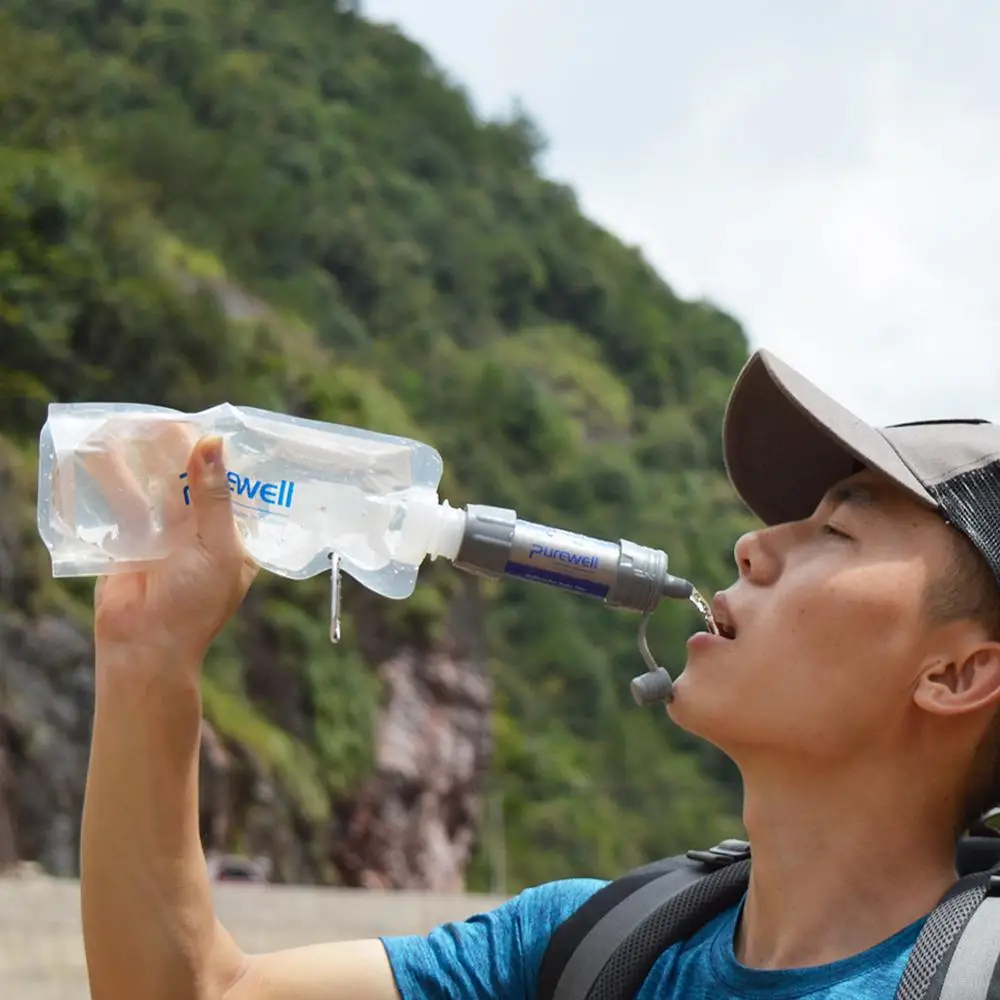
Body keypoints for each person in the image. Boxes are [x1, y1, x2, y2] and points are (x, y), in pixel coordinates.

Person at [80, 348, 1000, 1000]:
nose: (753, 543)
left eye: (839, 529)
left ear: (958, 673)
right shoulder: (589, 947)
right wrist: (148, 660)